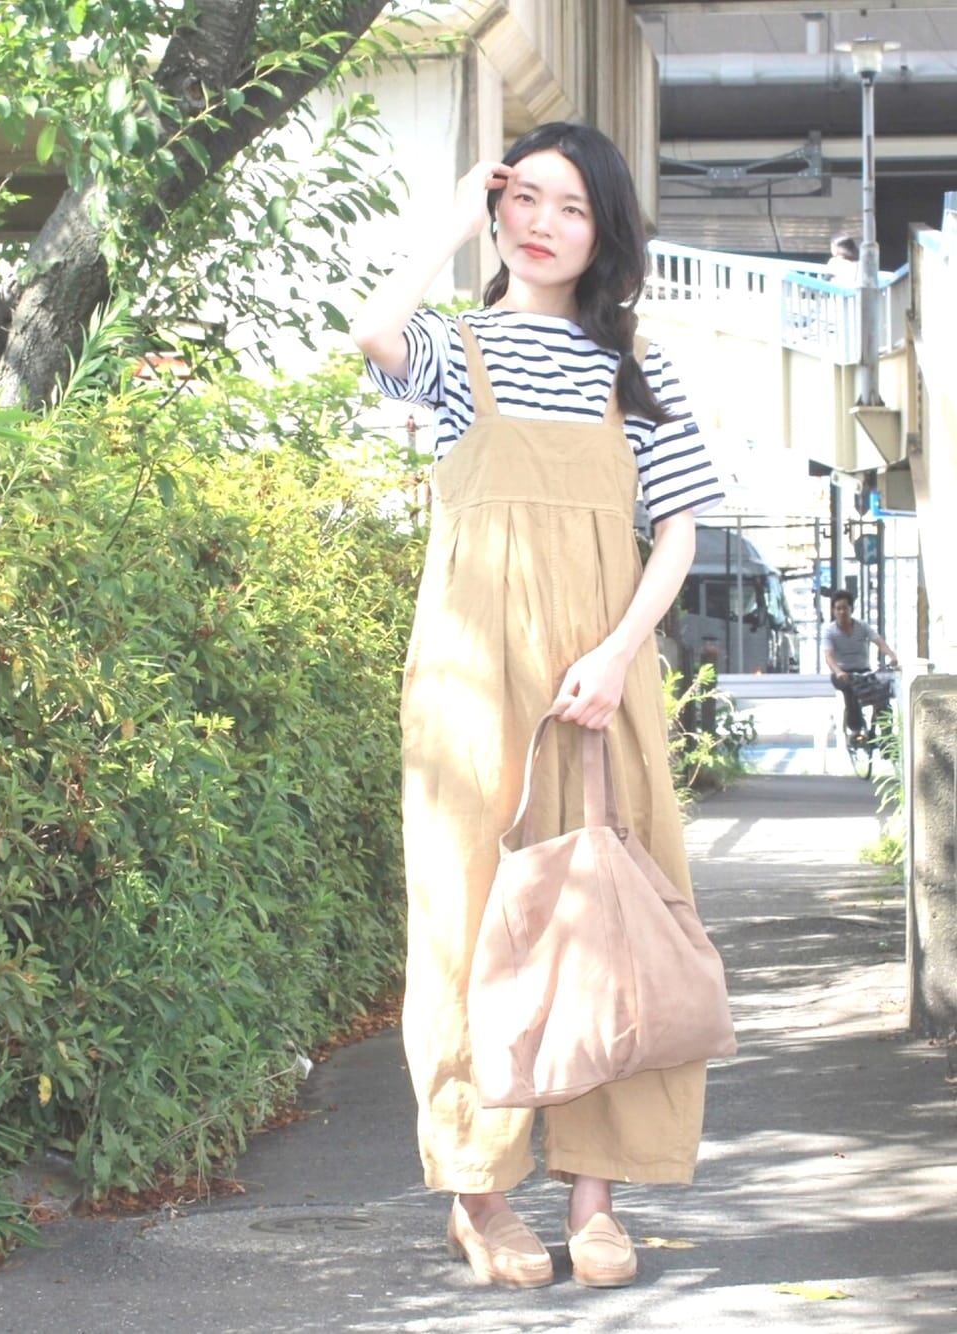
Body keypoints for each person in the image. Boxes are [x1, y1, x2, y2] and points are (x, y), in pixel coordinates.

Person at [350, 121, 724, 1291]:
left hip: (600, 683)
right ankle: (480, 1192)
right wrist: (450, 211)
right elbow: (371, 330)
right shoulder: (458, 348)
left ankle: (596, 1194)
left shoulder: (634, 367)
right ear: (497, 210)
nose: (543, 223)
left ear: (604, 234)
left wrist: (615, 655)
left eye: (573, 207)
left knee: (614, 914)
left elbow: (677, 532)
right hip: (471, 679)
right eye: (525, 198)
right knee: (465, 918)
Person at [821, 588, 898, 740]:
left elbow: (879, 642)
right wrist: (838, 671)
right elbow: (829, 656)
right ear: (833, 611)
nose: (842, 612)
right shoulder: (829, 631)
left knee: (882, 692)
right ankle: (855, 729)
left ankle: (885, 734)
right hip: (842, 673)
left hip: (863, 671)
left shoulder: (862, 626)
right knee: (851, 691)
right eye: (838, 608)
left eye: (845, 608)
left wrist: (891, 656)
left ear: (851, 609)